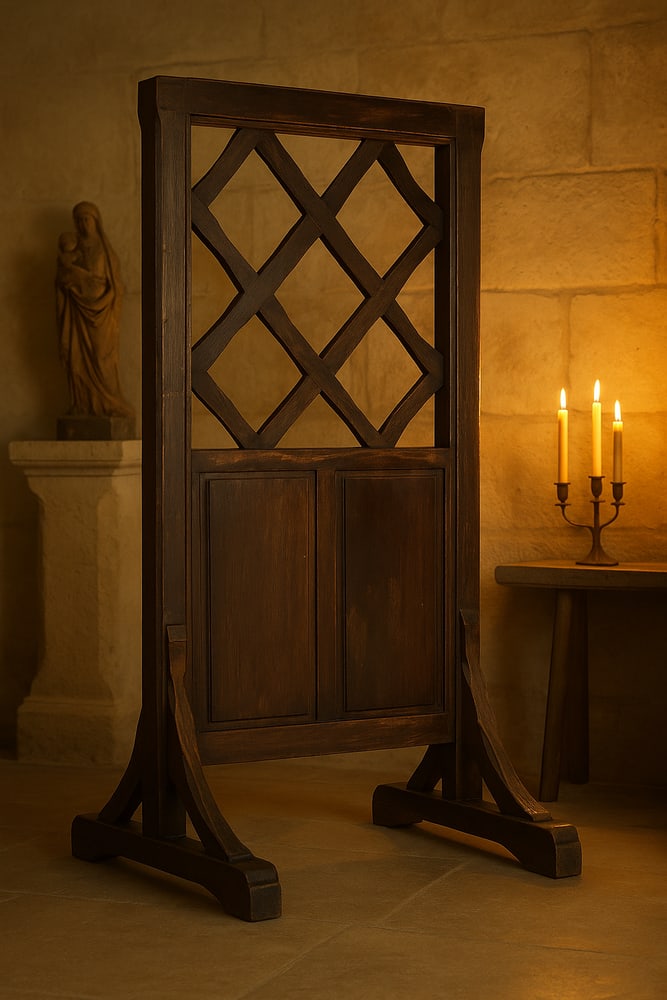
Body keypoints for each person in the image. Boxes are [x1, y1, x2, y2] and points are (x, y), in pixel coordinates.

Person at [56, 202, 133, 419]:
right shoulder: (73, 251)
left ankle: (110, 404)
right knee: (76, 358)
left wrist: (106, 297)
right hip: (77, 315)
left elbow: (116, 285)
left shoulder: (106, 252)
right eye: (78, 220)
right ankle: (82, 406)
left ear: (96, 221)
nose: (82, 224)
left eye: (86, 219)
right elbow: (61, 281)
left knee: (102, 358)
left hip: (102, 314)